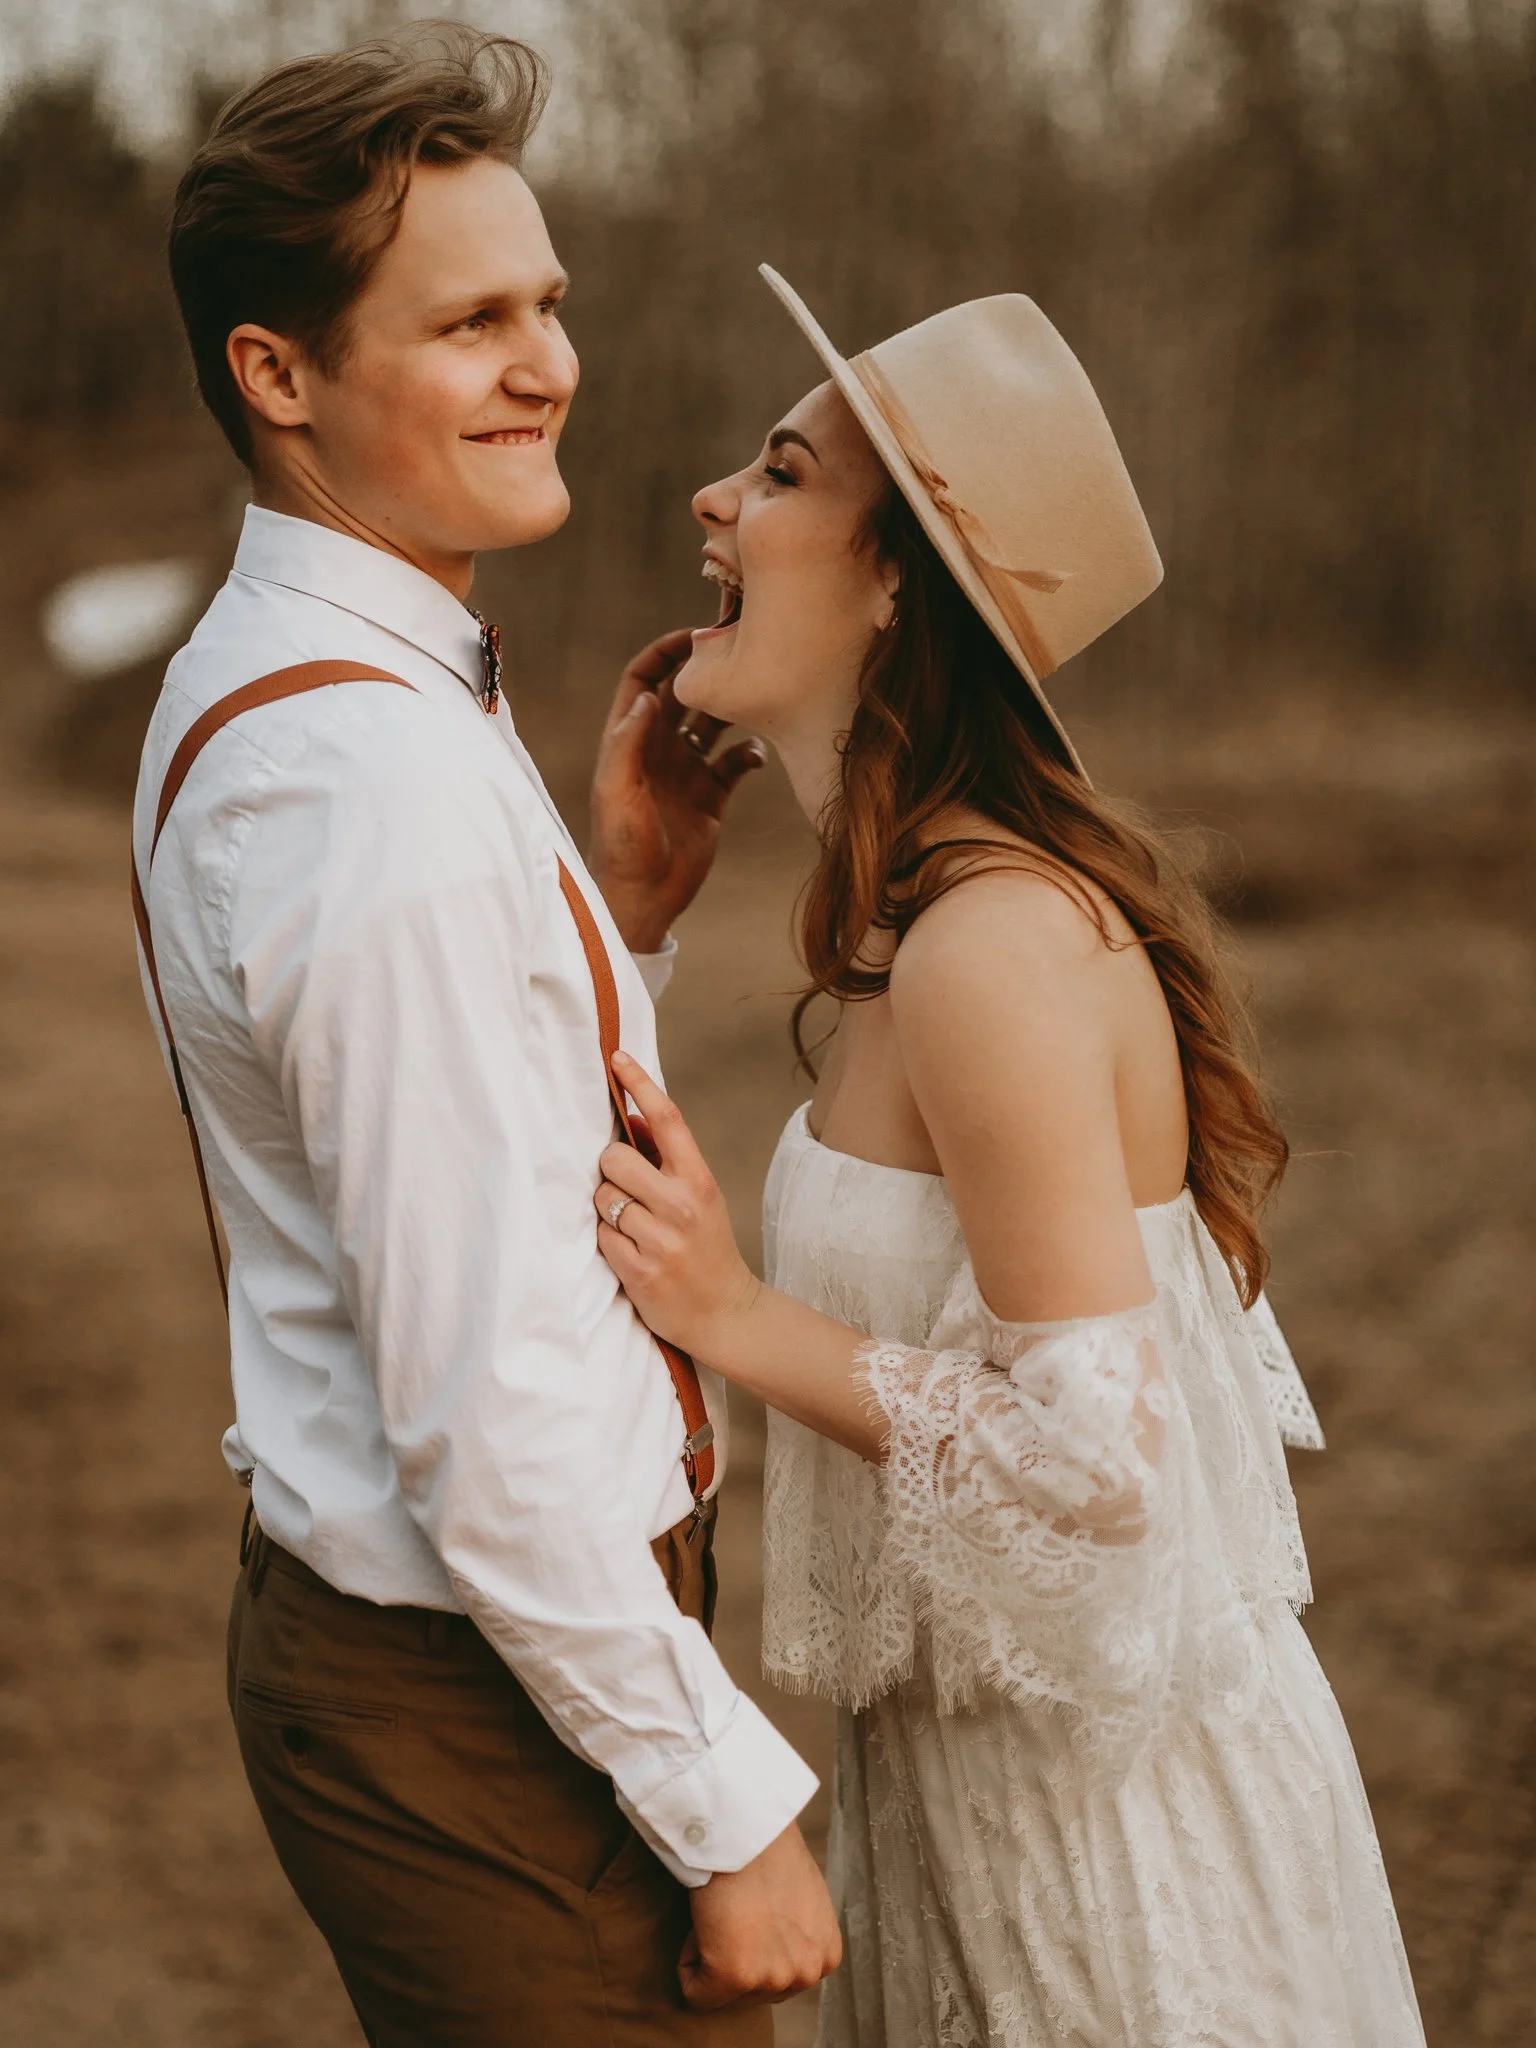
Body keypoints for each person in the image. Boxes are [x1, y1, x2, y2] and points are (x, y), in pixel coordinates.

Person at [591, 267, 1428, 2045]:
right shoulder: (923, 922)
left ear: (901, 582)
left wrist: (740, 1316)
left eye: (782, 473)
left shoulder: (991, 945)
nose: (712, 504)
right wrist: (635, 919)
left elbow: (1100, 1476)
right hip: (981, 1805)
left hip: (1111, 1865)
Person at [135, 29, 839, 2046]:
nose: (552, 363)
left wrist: (615, 914)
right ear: (278, 373)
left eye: (548, 302)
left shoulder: (296, 671)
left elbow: (428, 1121)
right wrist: (720, 1810)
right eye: (471, 320)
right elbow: (482, 1398)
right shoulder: (377, 783)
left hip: (444, 1648)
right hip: (482, 1689)